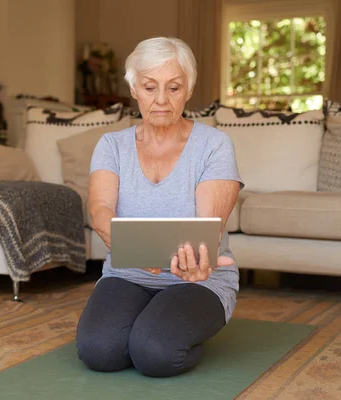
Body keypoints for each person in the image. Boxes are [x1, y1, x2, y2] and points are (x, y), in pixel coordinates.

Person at [75, 37, 244, 378]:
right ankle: (151, 319)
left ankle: (164, 325)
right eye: (150, 88)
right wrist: (135, 252)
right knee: (98, 352)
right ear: (134, 89)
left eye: (174, 87)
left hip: (198, 281)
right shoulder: (111, 145)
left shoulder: (214, 146)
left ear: (189, 89)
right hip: (127, 274)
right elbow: (101, 210)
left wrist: (197, 260)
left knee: (155, 353)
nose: (162, 101)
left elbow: (209, 224)